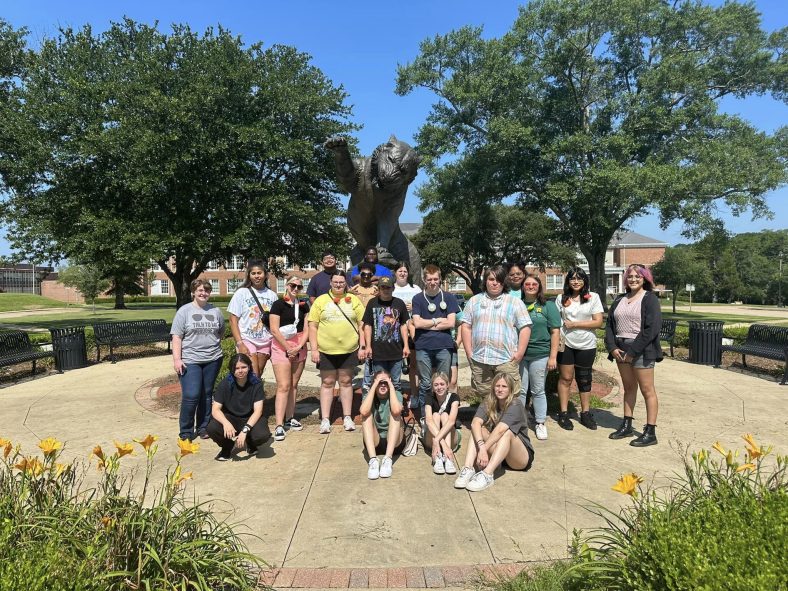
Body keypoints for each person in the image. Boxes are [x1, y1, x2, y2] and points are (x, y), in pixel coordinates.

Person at [604, 264, 663, 447]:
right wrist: (612, 347)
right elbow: (610, 326)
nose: (633, 279)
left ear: (645, 278)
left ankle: (650, 431)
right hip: (620, 350)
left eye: (638, 276)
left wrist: (632, 352)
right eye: (630, 276)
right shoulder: (620, 299)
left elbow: (651, 329)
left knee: (647, 390)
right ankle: (627, 425)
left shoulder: (650, 299)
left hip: (642, 351)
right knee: (629, 388)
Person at [454, 373, 534, 492]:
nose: (500, 389)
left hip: (519, 457)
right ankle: (468, 468)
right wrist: (482, 448)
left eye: (504, 386)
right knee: (478, 430)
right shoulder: (489, 401)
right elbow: (475, 423)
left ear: (511, 389)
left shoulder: (515, 404)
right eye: (497, 386)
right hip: (500, 452)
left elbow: (500, 430)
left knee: (507, 433)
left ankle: (487, 474)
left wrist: (483, 449)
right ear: (493, 387)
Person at [461, 265, 532, 399]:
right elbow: (466, 326)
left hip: (506, 360)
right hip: (480, 360)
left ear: (504, 282)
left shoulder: (514, 302)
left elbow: (525, 328)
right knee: (486, 398)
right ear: (485, 281)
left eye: (499, 280)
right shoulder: (474, 301)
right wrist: (469, 352)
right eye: (491, 279)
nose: (495, 283)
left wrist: (520, 353)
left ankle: (507, 420)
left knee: (509, 398)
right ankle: (490, 420)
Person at [308, 271, 366, 434]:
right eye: (336, 282)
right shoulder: (321, 300)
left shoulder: (354, 300)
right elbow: (313, 325)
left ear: (345, 283)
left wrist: (362, 345)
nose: (339, 285)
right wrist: (314, 349)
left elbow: (362, 324)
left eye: (341, 282)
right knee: (327, 383)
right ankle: (325, 419)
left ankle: (347, 416)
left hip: (349, 349)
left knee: (346, 382)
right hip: (326, 350)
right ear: (330, 282)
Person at [171, 279, 225, 441]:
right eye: (200, 290)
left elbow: (221, 331)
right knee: (191, 395)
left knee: (207, 394)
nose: (203, 293)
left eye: (207, 290)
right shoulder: (184, 311)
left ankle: (203, 427)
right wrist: (177, 359)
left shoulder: (216, 311)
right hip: (190, 360)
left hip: (213, 358)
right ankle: (186, 431)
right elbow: (177, 336)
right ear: (193, 292)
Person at [555, 267, 604, 431]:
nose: (576, 282)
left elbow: (598, 322)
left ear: (585, 281)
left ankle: (585, 413)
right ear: (568, 281)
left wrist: (575, 324)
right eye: (572, 278)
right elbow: (556, 322)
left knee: (584, 379)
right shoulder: (561, 298)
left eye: (579, 278)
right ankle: (563, 413)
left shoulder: (593, 298)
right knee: (565, 379)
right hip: (566, 344)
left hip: (586, 344)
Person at [411, 265, 460, 421]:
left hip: (443, 346)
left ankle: (443, 414)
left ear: (440, 279)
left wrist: (429, 324)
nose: (433, 282)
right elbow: (417, 323)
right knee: (425, 383)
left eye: (435, 279)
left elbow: (451, 322)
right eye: (429, 279)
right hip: (423, 346)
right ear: (424, 280)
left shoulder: (449, 298)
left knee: (442, 382)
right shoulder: (418, 298)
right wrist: (437, 320)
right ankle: (425, 416)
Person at [206, 353, 270, 461]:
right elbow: (215, 409)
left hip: (250, 418)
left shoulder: (256, 384)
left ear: (249, 367)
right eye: (236, 368)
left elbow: (258, 411)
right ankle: (227, 446)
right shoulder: (225, 384)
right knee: (212, 428)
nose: (240, 371)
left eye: (244, 367)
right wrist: (226, 423)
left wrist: (245, 431)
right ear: (232, 370)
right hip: (231, 418)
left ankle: (250, 442)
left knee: (262, 435)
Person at [520, 274, 561, 441]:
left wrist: (553, 357)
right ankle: (520, 422)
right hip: (520, 355)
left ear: (539, 287)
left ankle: (540, 422)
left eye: (533, 284)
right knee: (520, 391)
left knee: (538, 390)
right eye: (527, 284)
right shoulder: (518, 304)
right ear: (523, 287)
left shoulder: (548, 306)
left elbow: (555, 331)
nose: (530, 286)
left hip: (541, 354)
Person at [269, 276, 310, 442]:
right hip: (281, 347)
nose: (295, 288)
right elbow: (274, 329)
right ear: (286, 286)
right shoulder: (278, 305)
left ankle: (289, 417)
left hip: (299, 346)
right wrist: (288, 348)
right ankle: (279, 424)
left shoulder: (303, 305)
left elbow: (307, 328)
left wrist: (299, 347)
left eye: (299, 286)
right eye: (293, 285)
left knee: (293, 384)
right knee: (283, 386)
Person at [228, 259, 278, 378]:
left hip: (266, 341)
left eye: (259, 273)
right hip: (247, 339)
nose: (257, 276)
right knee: (252, 374)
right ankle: (251, 396)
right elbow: (233, 319)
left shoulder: (272, 295)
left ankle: (252, 396)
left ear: (265, 275)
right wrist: (240, 343)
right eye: (253, 273)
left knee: (258, 373)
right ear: (249, 276)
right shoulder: (242, 293)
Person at [362, 276, 409, 393]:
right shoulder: (372, 303)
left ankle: (396, 409)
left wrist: (406, 345)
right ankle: (381, 409)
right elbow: (367, 325)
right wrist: (368, 346)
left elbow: (403, 325)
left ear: (393, 288)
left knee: (396, 383)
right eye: (383, 287)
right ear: (379, 289)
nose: (386, 290)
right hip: (378, 352)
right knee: (379, 383)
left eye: (388, 287)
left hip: (396, 351)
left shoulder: (399, 303)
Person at [360, 371, 404, 479]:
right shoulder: (369, 395)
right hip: (375, 442)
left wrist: (391, 387)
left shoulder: (396, 394)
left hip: (394, 443)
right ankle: (373, 461)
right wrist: (374, 386)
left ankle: (387, 460)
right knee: (366, 416)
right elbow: (363, 411)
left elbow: (397, 411)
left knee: (395, 414)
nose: (383, 385)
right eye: (380, 382)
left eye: (386, 382)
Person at [392, 261, 422, 396]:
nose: (402, 273)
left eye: (405, 271)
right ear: (395, 273)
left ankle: (415, 394)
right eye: (400, 271)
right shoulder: (390, 288)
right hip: (394, 332)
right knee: (395, 366)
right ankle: (394, 394)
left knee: (414, 366)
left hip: (413, 331)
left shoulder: (415, 289)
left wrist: (414, 307)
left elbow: (423, 307)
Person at [424, 372, 460, 475]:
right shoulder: (429, 397)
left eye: (442, 384)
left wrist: (437, 439)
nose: (439, 387)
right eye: (436, 385)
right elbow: (429, 421)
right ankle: (439, 456)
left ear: (447, 385)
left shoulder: (454, 397)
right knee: (435, 415)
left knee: (445, 416)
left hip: (450, 436)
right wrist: (438, 442)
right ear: (432, 387)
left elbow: (452, 421)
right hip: (433, 440)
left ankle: (448, 458)